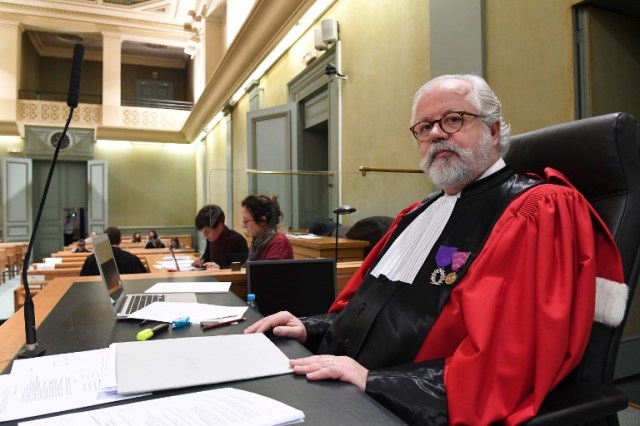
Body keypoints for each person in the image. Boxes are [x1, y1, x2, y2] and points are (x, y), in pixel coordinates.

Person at [245, 74, 627, 425]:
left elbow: (510, 360)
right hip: (346, 386)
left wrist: (373, 380)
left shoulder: (536, 210)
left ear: (493, 131)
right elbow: (373, 312)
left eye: (454, 120)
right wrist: (307, 328)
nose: (436, 134)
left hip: (401, 404)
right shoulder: (416, 214)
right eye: (424, 127)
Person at [192, 204, 249, 270]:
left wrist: (220, 268)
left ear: (219, 226)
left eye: (207, 231)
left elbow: (241, 270)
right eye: (202, 232)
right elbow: (208, 257)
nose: (205, 236)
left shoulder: (237, 240)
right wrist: (202, 261)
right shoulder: (211, 238)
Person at [241, 195, 293, 261]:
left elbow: (268, 271)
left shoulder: (279, 243)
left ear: (262, 220)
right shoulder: (258, 242)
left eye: (246, 221)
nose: (243, 226)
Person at [80, 226, 147, 276]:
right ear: (120, 240)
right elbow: (144, 278)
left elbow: (82, 282)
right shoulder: (132, 259)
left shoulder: (91, 259)